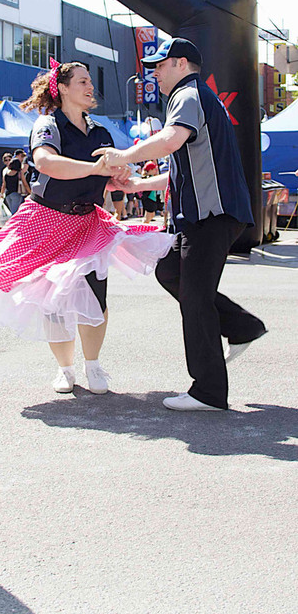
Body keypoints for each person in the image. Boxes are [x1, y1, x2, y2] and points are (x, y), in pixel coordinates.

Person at [0, 60, 173, 395]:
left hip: (88, 222)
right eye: (82, 81)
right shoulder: (48, 125)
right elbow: (47, 162)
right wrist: (95, 169)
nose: (91, 87)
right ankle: (65, 369)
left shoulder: (101, 132)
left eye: (90, 81)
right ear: (61, 88)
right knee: (53, 301)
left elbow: (109, 178)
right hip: (46, 220)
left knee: (96, 294)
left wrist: (119, 178)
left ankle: (93, 365)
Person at [95, 37, 267, 411]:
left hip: (211, 216)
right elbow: (181, 168)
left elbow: (170, 141)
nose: (155, 71)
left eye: (161, 64)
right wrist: (139, 183)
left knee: (195, 297)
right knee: (170, 271)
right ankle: (241, 327)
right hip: (209, 216)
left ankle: (208, 391)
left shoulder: (188, 95)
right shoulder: (194, 98)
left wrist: (123, 155)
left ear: (182, 63)